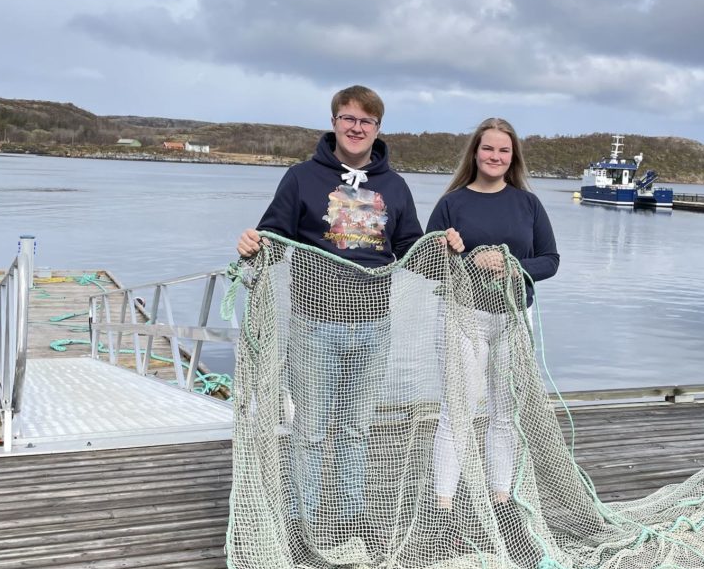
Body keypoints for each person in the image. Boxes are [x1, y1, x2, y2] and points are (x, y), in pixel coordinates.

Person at [236, 85, 461, 541]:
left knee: (356, 427)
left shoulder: (394, 187)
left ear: (377, 129)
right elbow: (273, 239)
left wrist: (445, 250)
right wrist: (252, 248)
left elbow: (410, 250)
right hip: (314, 324)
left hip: (374, 326)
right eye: (348, 119)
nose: (356, 128)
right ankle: (303, 516)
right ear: (334, 122)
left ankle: (350, 512)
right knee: (311, 428)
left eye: (366, 121)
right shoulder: (301, 178)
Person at [426, 117, 559, 516]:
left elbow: (550, 261)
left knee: (505, 413)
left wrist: (512, 266)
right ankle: (444, 503)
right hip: (462, 317)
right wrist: (465, 258)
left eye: (504, 150)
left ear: (513, 156)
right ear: (475, 152)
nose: (495, 156)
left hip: (514, 321)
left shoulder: (528, 204)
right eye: (488, 148)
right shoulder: (452, 203)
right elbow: (426, 263)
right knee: (457, 412)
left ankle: (501, 498)